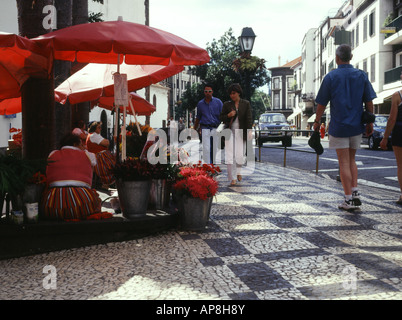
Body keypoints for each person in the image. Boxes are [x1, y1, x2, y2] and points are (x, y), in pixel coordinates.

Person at [314, 44, 376, 211]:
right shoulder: (361, 75)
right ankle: (355, 193)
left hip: (339, 126)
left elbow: (321, 103)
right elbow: (369, 101)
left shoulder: (331, 77)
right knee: (352, 161)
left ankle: (348, 199)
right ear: (351, 56)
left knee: (343, 163)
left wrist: (317, 120)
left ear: (337, 58)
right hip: (357, 125)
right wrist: (370, 122)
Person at [40, 133, 107, 220]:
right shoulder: (88, 155)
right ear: (75, 144)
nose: (84, 147)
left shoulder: (52, 154)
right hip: (80, 202)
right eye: (81, 145)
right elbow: (93, 170)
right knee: (95, 199)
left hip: (52, 204)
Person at [220, 83, 253, 186]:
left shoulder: (245, 104)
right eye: (230, 94)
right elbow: (221, 117)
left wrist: (249, 130)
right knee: (230, 155)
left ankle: (238, 171)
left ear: (238, 93)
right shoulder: (227, 104)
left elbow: (248, 118)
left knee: (240, 155)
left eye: (234, 93)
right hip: (229, 132)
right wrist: (228, 115)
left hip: (241, 132)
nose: (232, 95)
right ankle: (232, 178)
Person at [380, 72, 402, 204]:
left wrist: (385, 137)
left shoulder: (397, 96)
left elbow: (392, 119)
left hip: (400, 132)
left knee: (401, 165)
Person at [193, 84, 223, 164]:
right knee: (206, 148)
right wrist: (194, 129)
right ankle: (208, 165)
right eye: (206, 91)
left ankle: (212, 163)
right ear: (204, 92)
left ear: (212, 92)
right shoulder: (200, 104)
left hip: (215, 128)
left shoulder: (218, 102)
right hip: (205, 127)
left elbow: (223, 115)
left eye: (209, 91)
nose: (208, 93)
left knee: (214, 148)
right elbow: (198, 117)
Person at [86, 121, 116, 188]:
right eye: (99, 127)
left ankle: (107, 182)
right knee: (111, 164)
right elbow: (106, 143)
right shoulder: (94, 135)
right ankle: (107, 182)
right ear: (94, 128)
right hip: (99, 157)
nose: (100, 129)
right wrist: (107, 141)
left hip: (98, 155)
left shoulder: (93, 135)